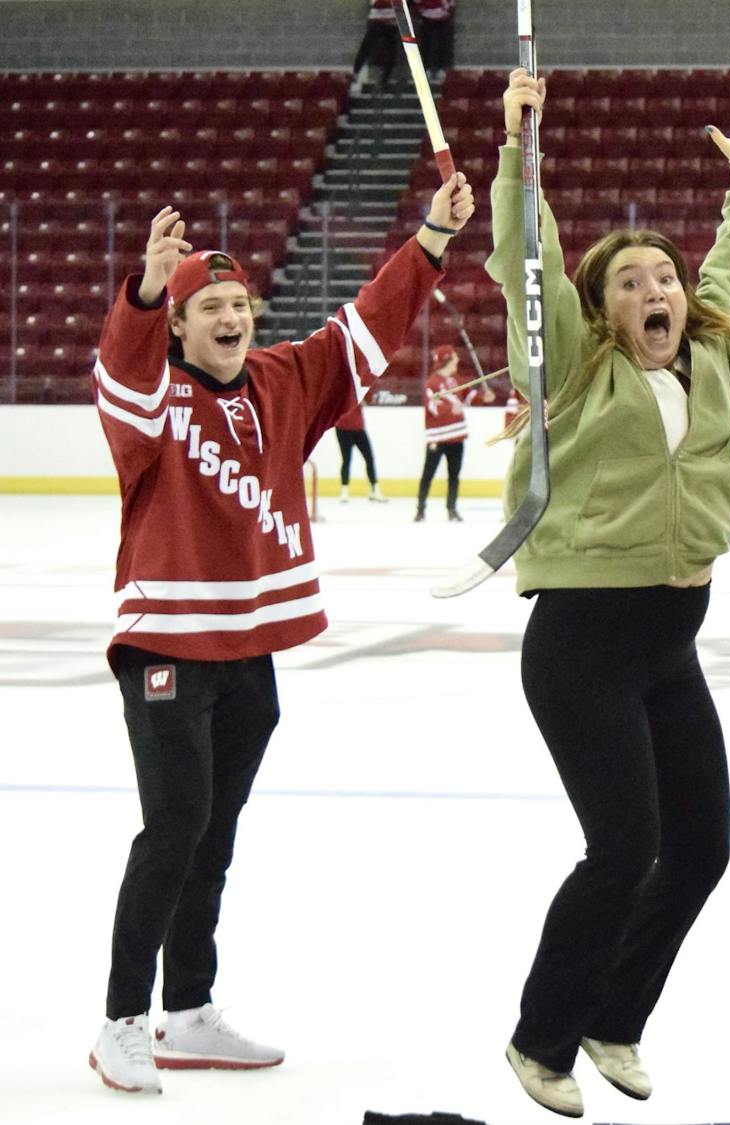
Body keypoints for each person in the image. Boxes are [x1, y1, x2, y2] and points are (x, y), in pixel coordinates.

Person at [88, 176, 473, 1093]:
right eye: (210, 306)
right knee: (173, 824)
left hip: (249, 647)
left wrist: (429, 239)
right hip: (168, 647)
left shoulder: (283, 382)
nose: (232, 317)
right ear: (180, 327)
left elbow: (364, 331)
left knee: (213, 830)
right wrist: (145, 292)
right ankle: (120, 1021)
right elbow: (121, 376)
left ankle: (188, 1010)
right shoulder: (150, 401)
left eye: (240, 304)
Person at [485, 68, 730, 1118]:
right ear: (600, 311)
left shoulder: (705, 355)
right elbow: (530, 261)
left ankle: (615, 1018)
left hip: (670, 641)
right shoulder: (570, 365)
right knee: (624, 849)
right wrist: (523, 150)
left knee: (700, 850)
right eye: (629, 281)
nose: (654, 289)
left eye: (664, 276)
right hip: (583, 644)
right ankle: (540, 1039)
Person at [415, 343, 492, 522]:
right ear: (447, 360)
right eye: (454, 357)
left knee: (454, 475)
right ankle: (420, 509)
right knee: (428, 474)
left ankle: (452, 509)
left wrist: (483, 397)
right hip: (438, 437)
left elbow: (467, 396)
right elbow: (432, 405)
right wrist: (451, 409)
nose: (457, 359)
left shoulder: (455, 379)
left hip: (457, 435)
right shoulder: (432, 383)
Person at [334, 397, 387, 503]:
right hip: (343, 428)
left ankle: (374, 489)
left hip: (358, 428)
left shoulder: (358, 388)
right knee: (346, 459)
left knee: (369, 458)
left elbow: (368, 400)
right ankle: (344, 491)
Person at [352, 0, 399, 91]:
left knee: (392, 53)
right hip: (377, 21)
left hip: (392, 24)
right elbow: (377, 3)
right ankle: (356, 72)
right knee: (366, 47)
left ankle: (384, 80)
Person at [415, 0, 455, 82]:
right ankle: (427, 68)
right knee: (426, 45)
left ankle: (441, 68)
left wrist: (446, 12)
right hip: (426, 19)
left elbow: (450, 5)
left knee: (442, 44)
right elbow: (417, 5)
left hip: (443, 20)